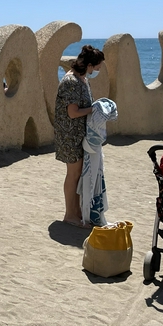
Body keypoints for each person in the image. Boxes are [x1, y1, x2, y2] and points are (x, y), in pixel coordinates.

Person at [54, 44, 105, 228]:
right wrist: (94, 109)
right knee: (73, 174)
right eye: (97, 68)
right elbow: (73, 112)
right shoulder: (71, 82)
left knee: (79, 174)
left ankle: (77, 213)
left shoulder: (82, 79)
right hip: (69, 135)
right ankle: (70, 214)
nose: (97, 71)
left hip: (79, 134)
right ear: (89, 65)